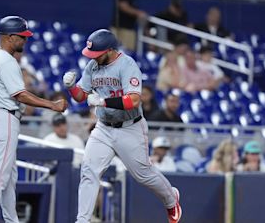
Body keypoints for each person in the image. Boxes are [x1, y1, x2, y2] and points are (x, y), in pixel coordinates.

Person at [62, 29, 181, 223]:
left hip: (129, 127)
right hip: (103, 127)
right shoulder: (93, 66)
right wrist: (71, 87)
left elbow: (134, 100)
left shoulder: (127, 65)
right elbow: (82, 97)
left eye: (97, 53)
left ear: (109, 50)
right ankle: (82, 220)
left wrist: (103, 101)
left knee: (143, 174)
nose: (93, 57)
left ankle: (170, 199)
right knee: (89, 170)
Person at [0, 16, 67, 223]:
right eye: (22, 37)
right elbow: (20, 94)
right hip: (3, 118)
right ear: (10, 37)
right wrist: (52, 105)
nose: (25, 41)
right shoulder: (6, 59)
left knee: (8, 178)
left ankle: (12, 221)